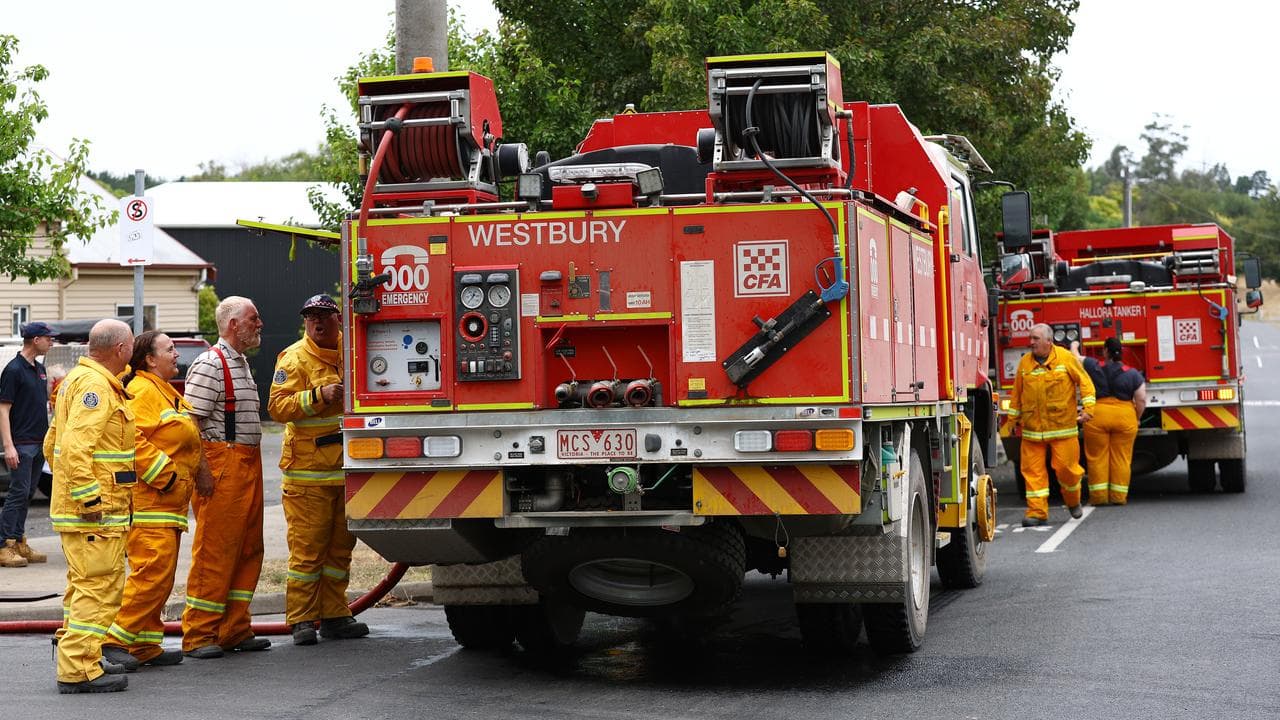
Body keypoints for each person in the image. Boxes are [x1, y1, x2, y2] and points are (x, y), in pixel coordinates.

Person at [268, 294, 369, 645]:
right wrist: (317, 396)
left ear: (338, 319)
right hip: (308, 476)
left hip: (346, 470)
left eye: (324, 316)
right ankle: (301, 619)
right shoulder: (294, 358)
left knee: (340, 550)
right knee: (308, 552)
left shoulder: (352, 350)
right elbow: (277, 407)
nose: (317, 322)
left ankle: (335, 615)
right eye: (311, 317)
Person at [100, 332, 202, 670]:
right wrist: (166, 476)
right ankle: (114, 641)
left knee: (161, 575)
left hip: (168, 503)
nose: (176, 354)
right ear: (149, 359)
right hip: (151, 502)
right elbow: (131, 439)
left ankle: (144, 644)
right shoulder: (143, 391)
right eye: (169, 349)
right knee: (151, 574)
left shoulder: (164, 391)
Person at [43, 319, 135, 694]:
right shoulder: (95, 386)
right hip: (96, 513)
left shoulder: (77, 381)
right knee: (98, 588)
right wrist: (88, 498)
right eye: (131, 345)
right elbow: (75, 448)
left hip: (89, 510)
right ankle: (79, 668)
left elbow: (52, 444)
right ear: (120, 349)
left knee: (84, 587)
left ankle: (84, 656)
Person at [180, 297, 271, 659]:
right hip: (223, 465)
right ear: (234, 324)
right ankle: (199, 633)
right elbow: (191, 423)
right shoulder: (210, 364)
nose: (260, 324)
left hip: (246, 462)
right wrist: (202, 471)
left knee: (248, 548)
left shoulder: (239, 362)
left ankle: (234, 628)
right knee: (215, 552)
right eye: (254, 318)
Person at [1002, 323, 1096, 526]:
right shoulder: (1025, 363)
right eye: (1030, 338)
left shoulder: (1065, 358)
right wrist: (1011, 420)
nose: (1031, 342)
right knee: (1032, 473)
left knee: (1067, 470)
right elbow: (1017, 393)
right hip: (1032, 431)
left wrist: (1088, 409)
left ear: (1048, 341)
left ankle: (1073, 501)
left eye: (1035, 338)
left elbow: (1085, 383)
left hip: (1062, 429)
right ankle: (1037, 512)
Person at [0, 321, 56, 568]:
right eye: (48, 338)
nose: (51, 342)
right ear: (35, 340)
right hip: (21, 443)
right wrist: (8, 446)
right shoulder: (14, 370)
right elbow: (3, 409)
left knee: (27, 494)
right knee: (17, 494)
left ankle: (18, 541)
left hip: (38, 442)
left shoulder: (39, 369)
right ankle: (3, 545)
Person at [1075, 337, 1147, 506]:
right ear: (1121, 352)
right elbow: (1141, 399)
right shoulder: (1133, 374)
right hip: (1124, 417)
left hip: (1097, 416)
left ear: (1105, 351)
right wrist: (1137, 418)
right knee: (1121, 458)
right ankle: (1118, 497)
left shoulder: (1093, 366)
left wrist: (1074, 344)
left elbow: (1075, 358)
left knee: (1097, 458)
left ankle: (1099, 497)